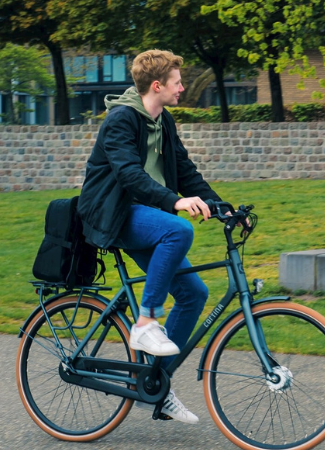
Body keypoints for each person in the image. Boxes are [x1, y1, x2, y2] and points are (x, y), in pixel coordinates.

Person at [77, 49, 220, 424]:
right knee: (178, 229)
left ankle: (156, 383)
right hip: (113, 213)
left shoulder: (163, 121)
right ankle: (145, 323)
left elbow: (185, 170)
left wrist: (223, 208)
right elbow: (129, 176)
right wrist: (175, 203)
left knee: (194, 294)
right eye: (177, 83)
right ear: (157, 86)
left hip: (146, 214)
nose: (183, 88)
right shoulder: (121, 120)